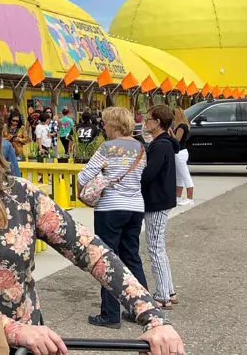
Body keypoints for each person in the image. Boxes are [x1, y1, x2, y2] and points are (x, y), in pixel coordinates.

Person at [0, 96, 185, 355]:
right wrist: (16, 331)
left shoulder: (21, 197)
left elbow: (91, 251)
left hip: (26, 348)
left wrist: (152, 315)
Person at [78, 107, 149, 329]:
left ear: (115, 125)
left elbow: (84, 175)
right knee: (132, 257)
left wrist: (88, 189)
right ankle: (142, 309)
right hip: (135, 207)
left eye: (106, 123)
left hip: (110, 208)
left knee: (108, 259)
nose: (104, 127)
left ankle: (110, 314)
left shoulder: (108, 148)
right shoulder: (140, 148)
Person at [142, 105, 181, 308]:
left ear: (157, 122)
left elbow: (149, 174)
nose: (145, 122)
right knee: (159, 247)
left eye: (148, 119)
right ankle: (169, 289)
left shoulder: (160, 145)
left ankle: (163, 294)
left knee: (155, 247)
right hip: (163, 198)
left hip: (157, 201)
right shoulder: (167, 144)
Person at [171, 108, 194, 206]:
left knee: (185, 176)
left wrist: (171, 132)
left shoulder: (181, 127)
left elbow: (177, 140)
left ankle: (190, 198)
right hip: (181, 152)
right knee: (179, 176)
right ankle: (178, 197)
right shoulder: (184, 126)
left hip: (179, 152)